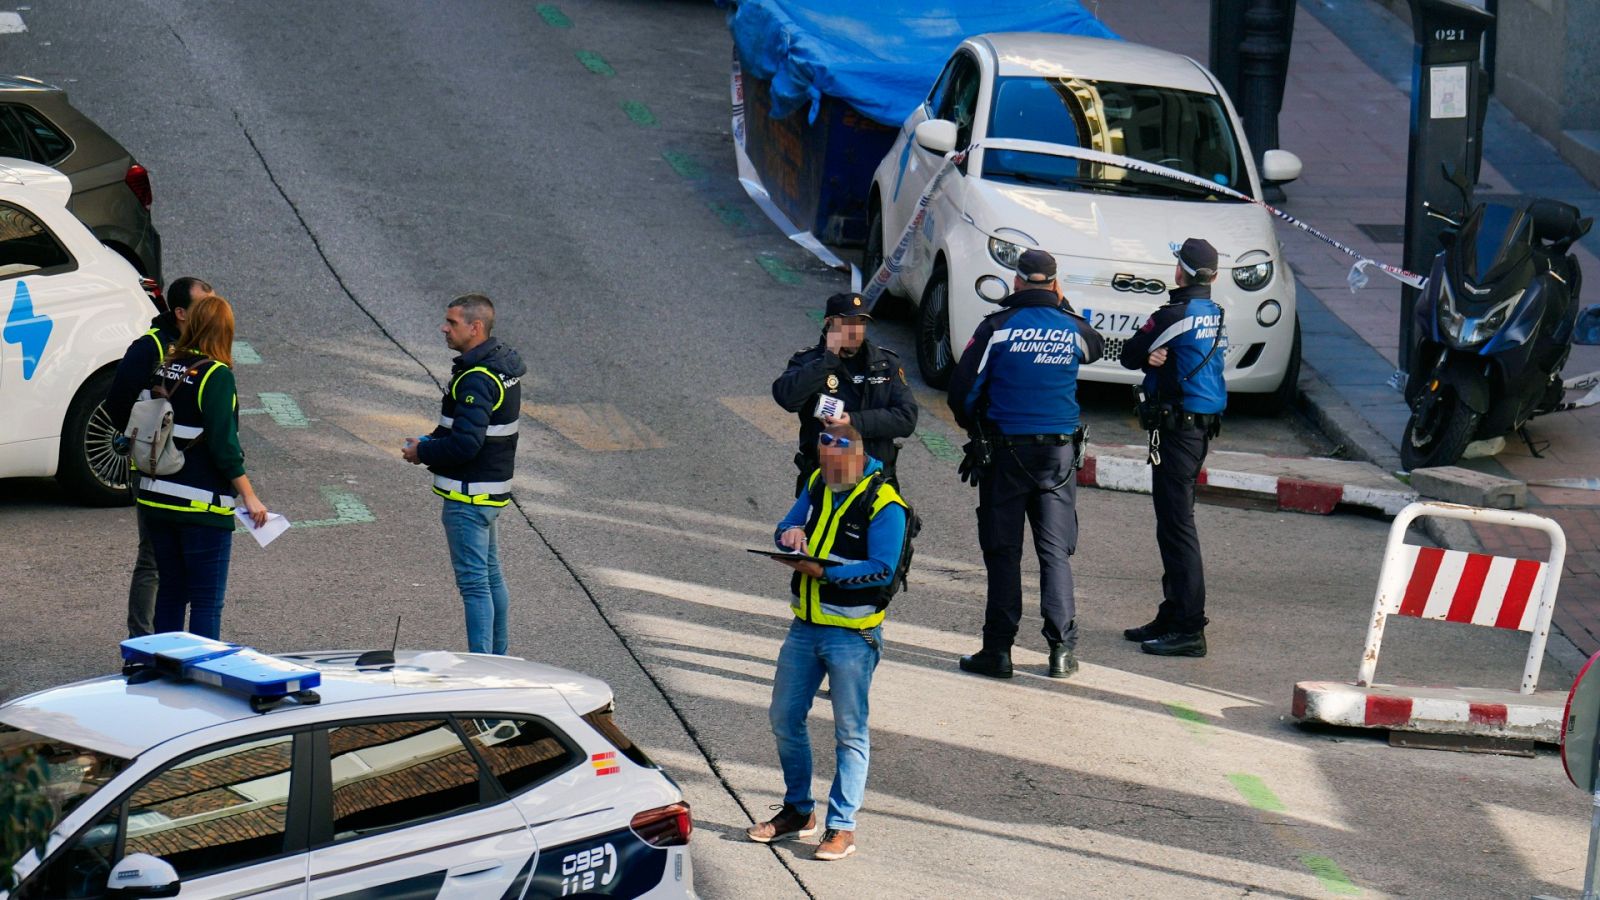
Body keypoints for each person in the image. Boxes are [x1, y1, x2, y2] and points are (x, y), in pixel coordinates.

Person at [745, 422, 908, 862]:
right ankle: (799, 811)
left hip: (854, 635)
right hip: (805, 626)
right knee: (784, 717)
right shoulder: (819, 481)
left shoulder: (885, 503)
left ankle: (842, 827)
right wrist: (789, 537)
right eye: (824, 466)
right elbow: (786, 524)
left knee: (849, 732)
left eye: (837, 468)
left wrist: (826, 573)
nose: (828, 476)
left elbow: (883, 569)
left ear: (857, 457)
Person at [948, 250, 1103, 680]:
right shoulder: (1072, 328)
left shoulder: (996, 328)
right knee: (1055, 554)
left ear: (1015, 283)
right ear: (1055, 284)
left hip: (1005, 453)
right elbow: (1095, 345)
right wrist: (1062, 305)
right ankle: (1061, 653)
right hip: (1059, 457)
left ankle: (998, 652)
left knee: (1004, 553)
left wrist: (977, 425)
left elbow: (961, 392)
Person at [1118, 238, 1228, 658]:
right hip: (1198, 430)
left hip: (1177, 430)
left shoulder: (1172, 314)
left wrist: (1149, 360)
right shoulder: (1214, 312)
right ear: (1214, 276)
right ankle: (1173, 611)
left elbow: (1129, 355)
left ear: (1179, 271)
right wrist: (1156, 361)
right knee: (1173, 523)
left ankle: (1188, 627)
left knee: (1178, 527)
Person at [136, 294, 269, 640]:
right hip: (200, 506)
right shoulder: (216, 375)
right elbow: (224, 446)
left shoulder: (166, 366)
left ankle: (160, 668)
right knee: (206, 603)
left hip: (156, 498)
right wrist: (250, 497)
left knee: (170, 594)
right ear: (224, 331)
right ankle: (198, 679)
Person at [403, 293, 526, 656]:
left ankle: (483, 670)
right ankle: (499, 662)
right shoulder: (501, 368)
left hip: (467, 496)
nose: (444, 328)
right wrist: (431, 440)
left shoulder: (476, 378)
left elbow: (466, 444)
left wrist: (421, 452)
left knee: (475, 586)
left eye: (452, 322)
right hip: (490, 493)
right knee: (491, 579)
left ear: (475, 328)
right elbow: (469, 431)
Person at [108, 276, 212, 638]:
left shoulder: (203, 346)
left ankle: (170, 641)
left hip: (189, 474)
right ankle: (142, 643)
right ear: (180, 312)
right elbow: (117, 400)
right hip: (155, 470)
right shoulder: (149, 346)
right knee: (153, 559)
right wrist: (144, 444)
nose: (212, 312)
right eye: (204, 306)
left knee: (183, 560)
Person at [772, 292, 917, 494]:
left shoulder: (885, 363)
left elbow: (907, 418)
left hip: (875, 481)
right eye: (847, 323)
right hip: (825, 480)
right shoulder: (808, 362)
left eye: (861, 323)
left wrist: (853, 421)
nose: (855, 330)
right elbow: (786, 398)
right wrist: (828, 360)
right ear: (829, 322)